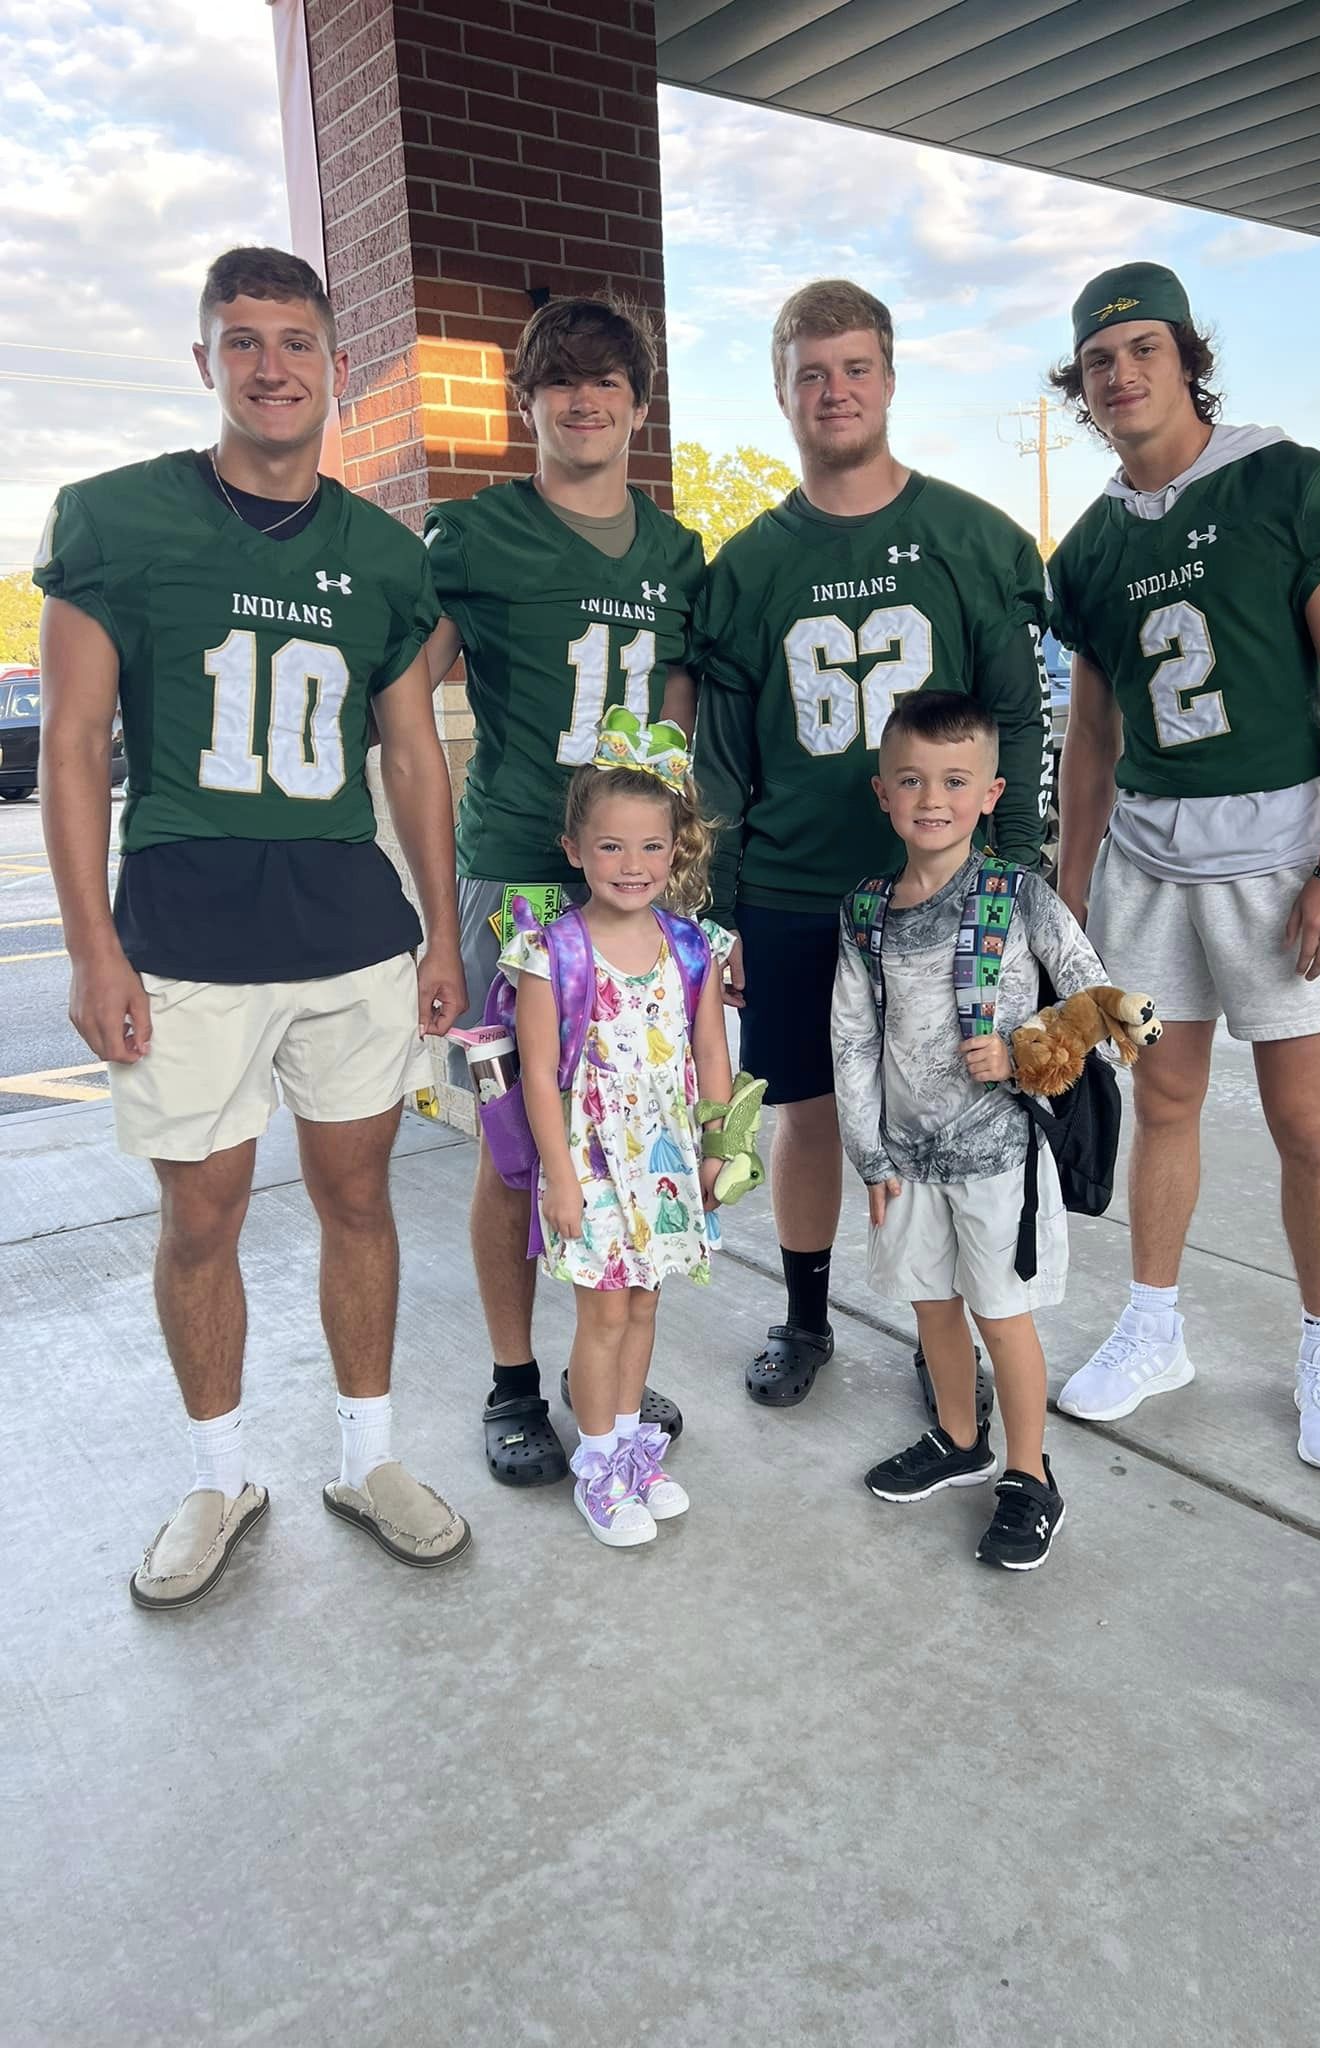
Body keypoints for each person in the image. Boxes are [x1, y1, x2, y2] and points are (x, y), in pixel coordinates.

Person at [35, 246, 472, 1611]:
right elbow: (73, 744)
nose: (272, 367)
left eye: (296, 341)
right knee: (202, 1220)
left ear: (334, 363)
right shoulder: (120, 519)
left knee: (358, 1199)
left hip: (348, 925)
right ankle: (220, 1475)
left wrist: (443, 933)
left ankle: (369, 1456)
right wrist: (92, 946)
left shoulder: (384, 556)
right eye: (243, 342)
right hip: (185, 927)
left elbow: (412, 759)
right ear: (207, 361)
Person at [1047, 261, 1320, 1471]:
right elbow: (1091, 731)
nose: (1121, 373)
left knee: (1305, 1120)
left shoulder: (1288, 481)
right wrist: (1069, 887)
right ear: (1079, 387)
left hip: (1281, 850)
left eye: (1142, 347)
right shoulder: (1089, 543)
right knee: (1166, 1099)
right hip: (1148, 856)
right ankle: (1155, 1326)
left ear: (1187, 355)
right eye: (1098, 360)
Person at [693, 279, 1053, 1411]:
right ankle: (805, 1317)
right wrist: (725, 903)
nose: (833, 390)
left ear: (891, 379)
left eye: (854, 367)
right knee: (804, 1107)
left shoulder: (968, 539)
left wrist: (1023, 868)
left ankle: (941, 1330)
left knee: (951, 1109)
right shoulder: (746, 566)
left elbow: (1020, 715)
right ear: (781, 391)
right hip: (799, 885)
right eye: (811, 371)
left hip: (943, 891)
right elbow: (719, 764)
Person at [423, 297, 706, 1488]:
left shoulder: (677, 551)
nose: (585, 403)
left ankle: (612, 1368)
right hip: (517, 882)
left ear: (640, 408)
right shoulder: (475, 536)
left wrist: (678, 886)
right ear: (527, 403)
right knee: (513, 1144)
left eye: (607, 384)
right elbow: (402, 703)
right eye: (561, 383)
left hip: (635, 888)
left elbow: (679, 722)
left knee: (635, 1125)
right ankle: (511, 1377)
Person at [830, 693, 1112, 1568]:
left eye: (955, 780)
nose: (932, 798)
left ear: (991, 792)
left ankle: (1030, 1475)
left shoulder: (1019, 895)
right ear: (883, 793)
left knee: (1002, 1316)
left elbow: (1098, 1001)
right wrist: (867, 1150)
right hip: (907, 1162)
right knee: (933, 1309)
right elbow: (851, 1035)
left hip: (1000, 1162)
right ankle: (960, 1437)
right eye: (912, 780)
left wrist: (1029, 1053)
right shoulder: (867, 911)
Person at [504, 711, 734, 1548]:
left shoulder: (693, 946)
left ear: (677, 849)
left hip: (666, 1161)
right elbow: (538, 1075)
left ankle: (634, 1443)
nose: (631, 865)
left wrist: (719, 1148)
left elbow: (711, 1054)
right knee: (601, 1317)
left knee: (644, 1305)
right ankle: (596, 1465)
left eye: (649, 846)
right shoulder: (550, 954)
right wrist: (559, 1180)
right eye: (610, 847)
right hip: (594, 1164)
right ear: (574, 848)